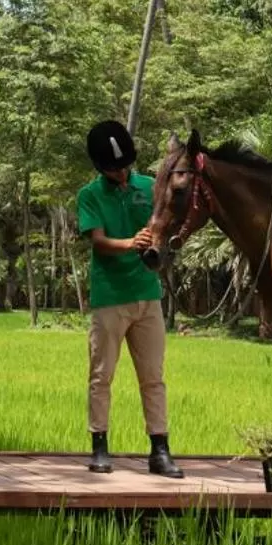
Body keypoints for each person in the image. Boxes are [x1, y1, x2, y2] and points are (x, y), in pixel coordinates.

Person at [74, 119, 183, 478]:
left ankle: (160, 449)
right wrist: (129, 244)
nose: (121, 173)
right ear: (100, 167)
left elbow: (165, 225)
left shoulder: (150, 188)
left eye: (125, 166)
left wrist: (158, 239)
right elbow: (99, 242)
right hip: (109, 297)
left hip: (147, 296)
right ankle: (100, 447)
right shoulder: (89, 195)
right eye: (113, 169)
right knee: (101, 375)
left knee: (153, 376)